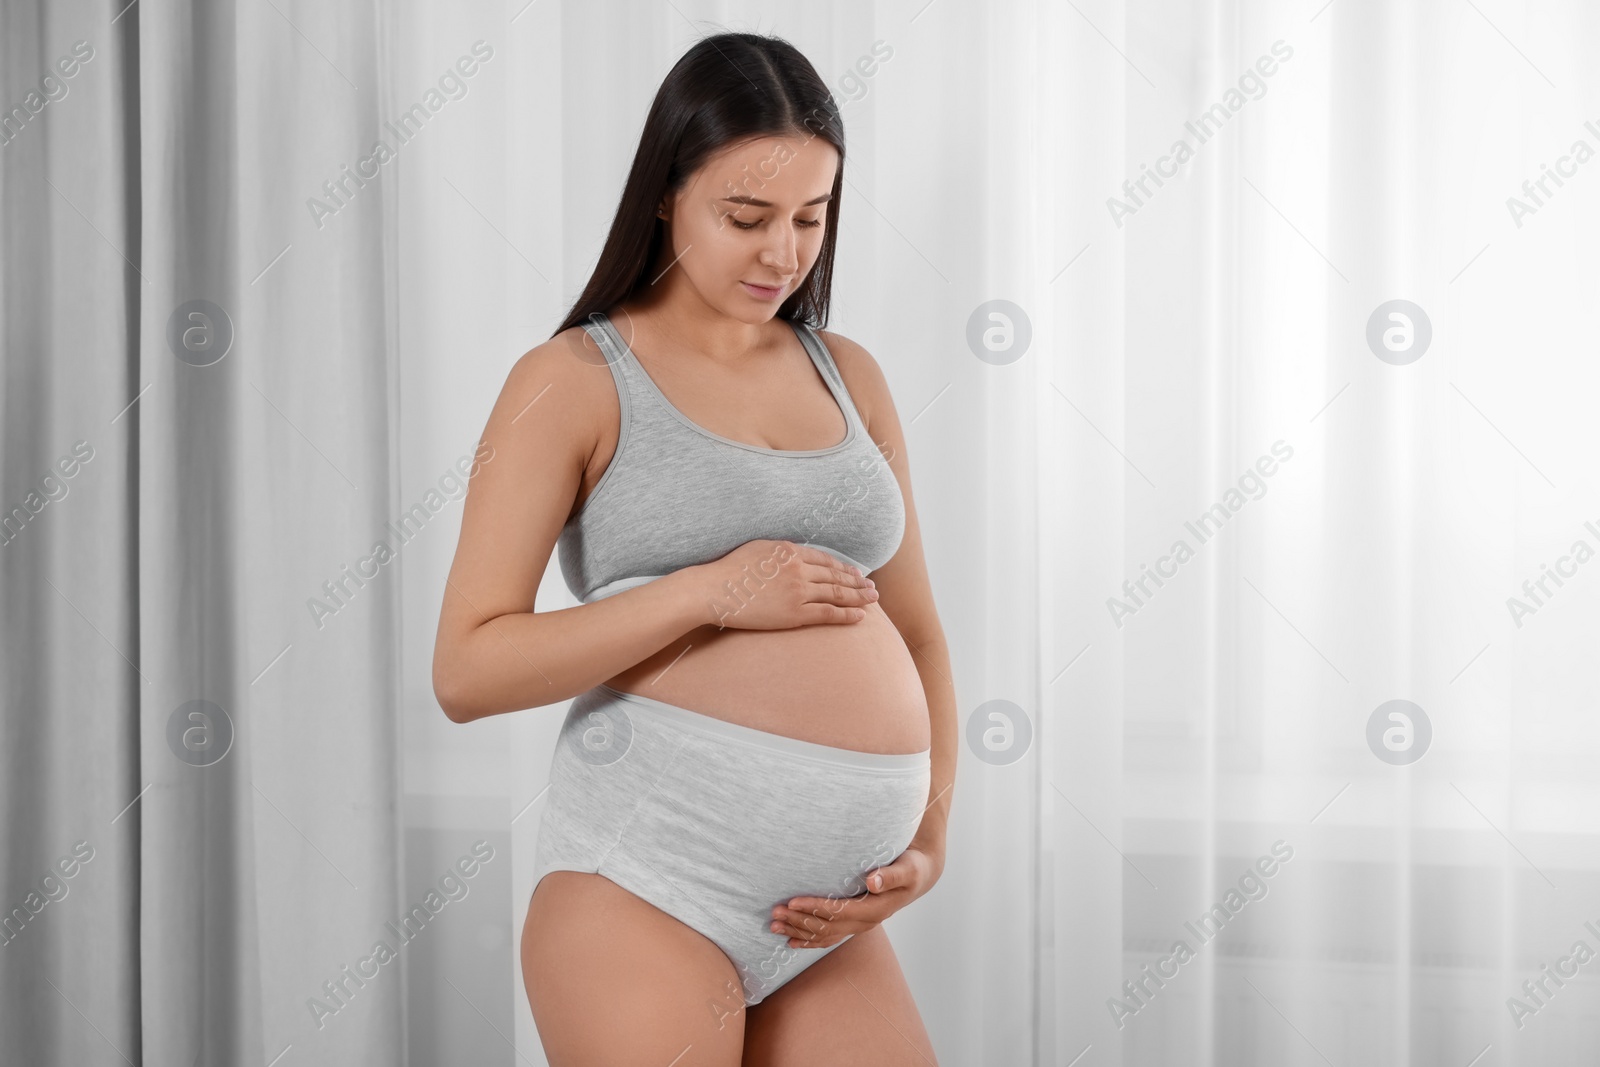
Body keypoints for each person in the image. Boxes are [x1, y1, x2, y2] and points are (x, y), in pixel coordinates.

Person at [431, 31, 956, 1066]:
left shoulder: (849, 371)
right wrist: (708, 593)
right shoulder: (573, 377)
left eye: (812, 217)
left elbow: (921, 632)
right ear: (666, 195)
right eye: (747, 216)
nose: (784, 253)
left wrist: (931, 837)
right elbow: (467, 667)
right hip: (646, 881)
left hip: (825, 918)